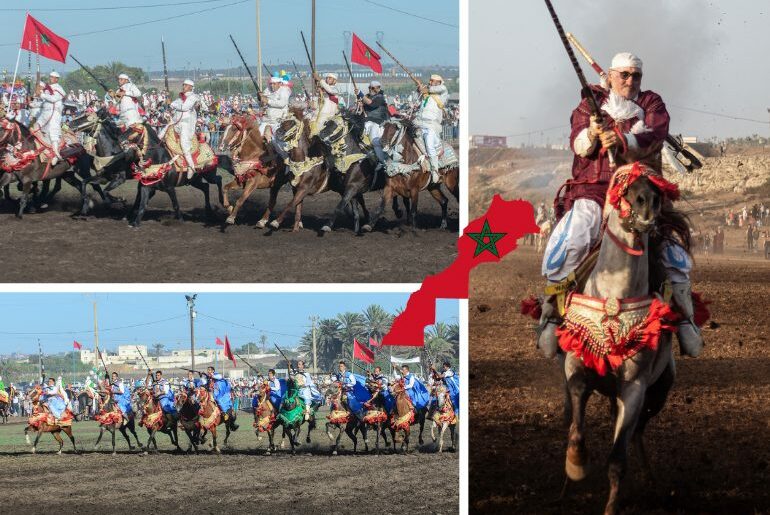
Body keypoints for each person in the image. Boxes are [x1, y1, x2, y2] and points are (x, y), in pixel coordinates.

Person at [538, 52, 702, 359]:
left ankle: (685, 322)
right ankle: (550, 316)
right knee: (575, 233)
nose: (629, 80)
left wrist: (622, 140)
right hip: (594, 190)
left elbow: (655, 135)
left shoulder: (652, 104)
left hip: (637, 188)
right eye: (623, 75)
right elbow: (579, 144)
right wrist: (593, 132)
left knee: (671, 251)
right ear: (611, 76)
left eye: (635, 75)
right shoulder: (590, 105)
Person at [413, 74, 449, 183]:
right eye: (429, 81)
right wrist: (419, 89)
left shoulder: (443, 93)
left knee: (429, 145)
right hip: (419, 123)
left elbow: (442, 89)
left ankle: (435, 171)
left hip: (432, 126)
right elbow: (415, 100)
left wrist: (427, 89)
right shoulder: (426, 94)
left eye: (432, 81)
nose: (430, 82)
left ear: (438, 82)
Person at [168, 79, 200, 179]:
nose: (183, 87)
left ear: (191, 87)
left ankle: (191, 166)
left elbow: (185, 107)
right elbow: (174, 107)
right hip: (176, 123)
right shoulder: (180, 98)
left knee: (184, 145)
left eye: (186, 85)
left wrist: (172, 104)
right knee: (161, 135)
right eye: (183, 85)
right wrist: (169, 105)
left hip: (187, 125)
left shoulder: (193, 97)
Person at [34, 71, 66, 165]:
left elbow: (53, 99)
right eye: (50, 77)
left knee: (53, 133)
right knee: (35, 126)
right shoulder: (48, 88)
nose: (50, 78)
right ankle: (40, 149)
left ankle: (57, 154)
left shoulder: (58, 88)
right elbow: (43, 101)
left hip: (54, 114)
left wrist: (42, 94)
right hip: (44, 113)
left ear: (57, 79)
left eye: (52, 77)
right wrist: (38, 91)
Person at [358, 80, 390, 169]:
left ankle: (382, 161)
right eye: (369, 88)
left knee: (374, 141)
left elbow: (371, 104)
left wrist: (360, 94)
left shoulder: (380, 97)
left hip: (378, 122)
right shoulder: (368, 96)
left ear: (378, 88)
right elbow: (364, 105)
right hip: (368, 121)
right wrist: (360, 104)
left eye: (372, 88)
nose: (370, 89)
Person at [203, 366, 238, 431]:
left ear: (213, 371)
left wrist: (211, 376)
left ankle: (224, 413)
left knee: (218, 400)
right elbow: (204, 383)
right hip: (210, 392)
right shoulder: (207, 377)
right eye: (208, 370)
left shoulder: (217, 375)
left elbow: (219, 377)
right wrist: (202, 376)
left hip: (218, 393)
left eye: (210, 370)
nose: (208, 371)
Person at [258, 76, 291, 141]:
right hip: (266, 120)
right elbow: (262, 104)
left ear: (279, 84)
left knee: (277, 139)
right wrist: (260, 99)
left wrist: (268, 101)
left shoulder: (284, 90)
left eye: (274, 84)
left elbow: (282, 104)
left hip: (278, 121)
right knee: (258, 135)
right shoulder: (267, 90)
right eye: (271, 84)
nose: (272, 85)